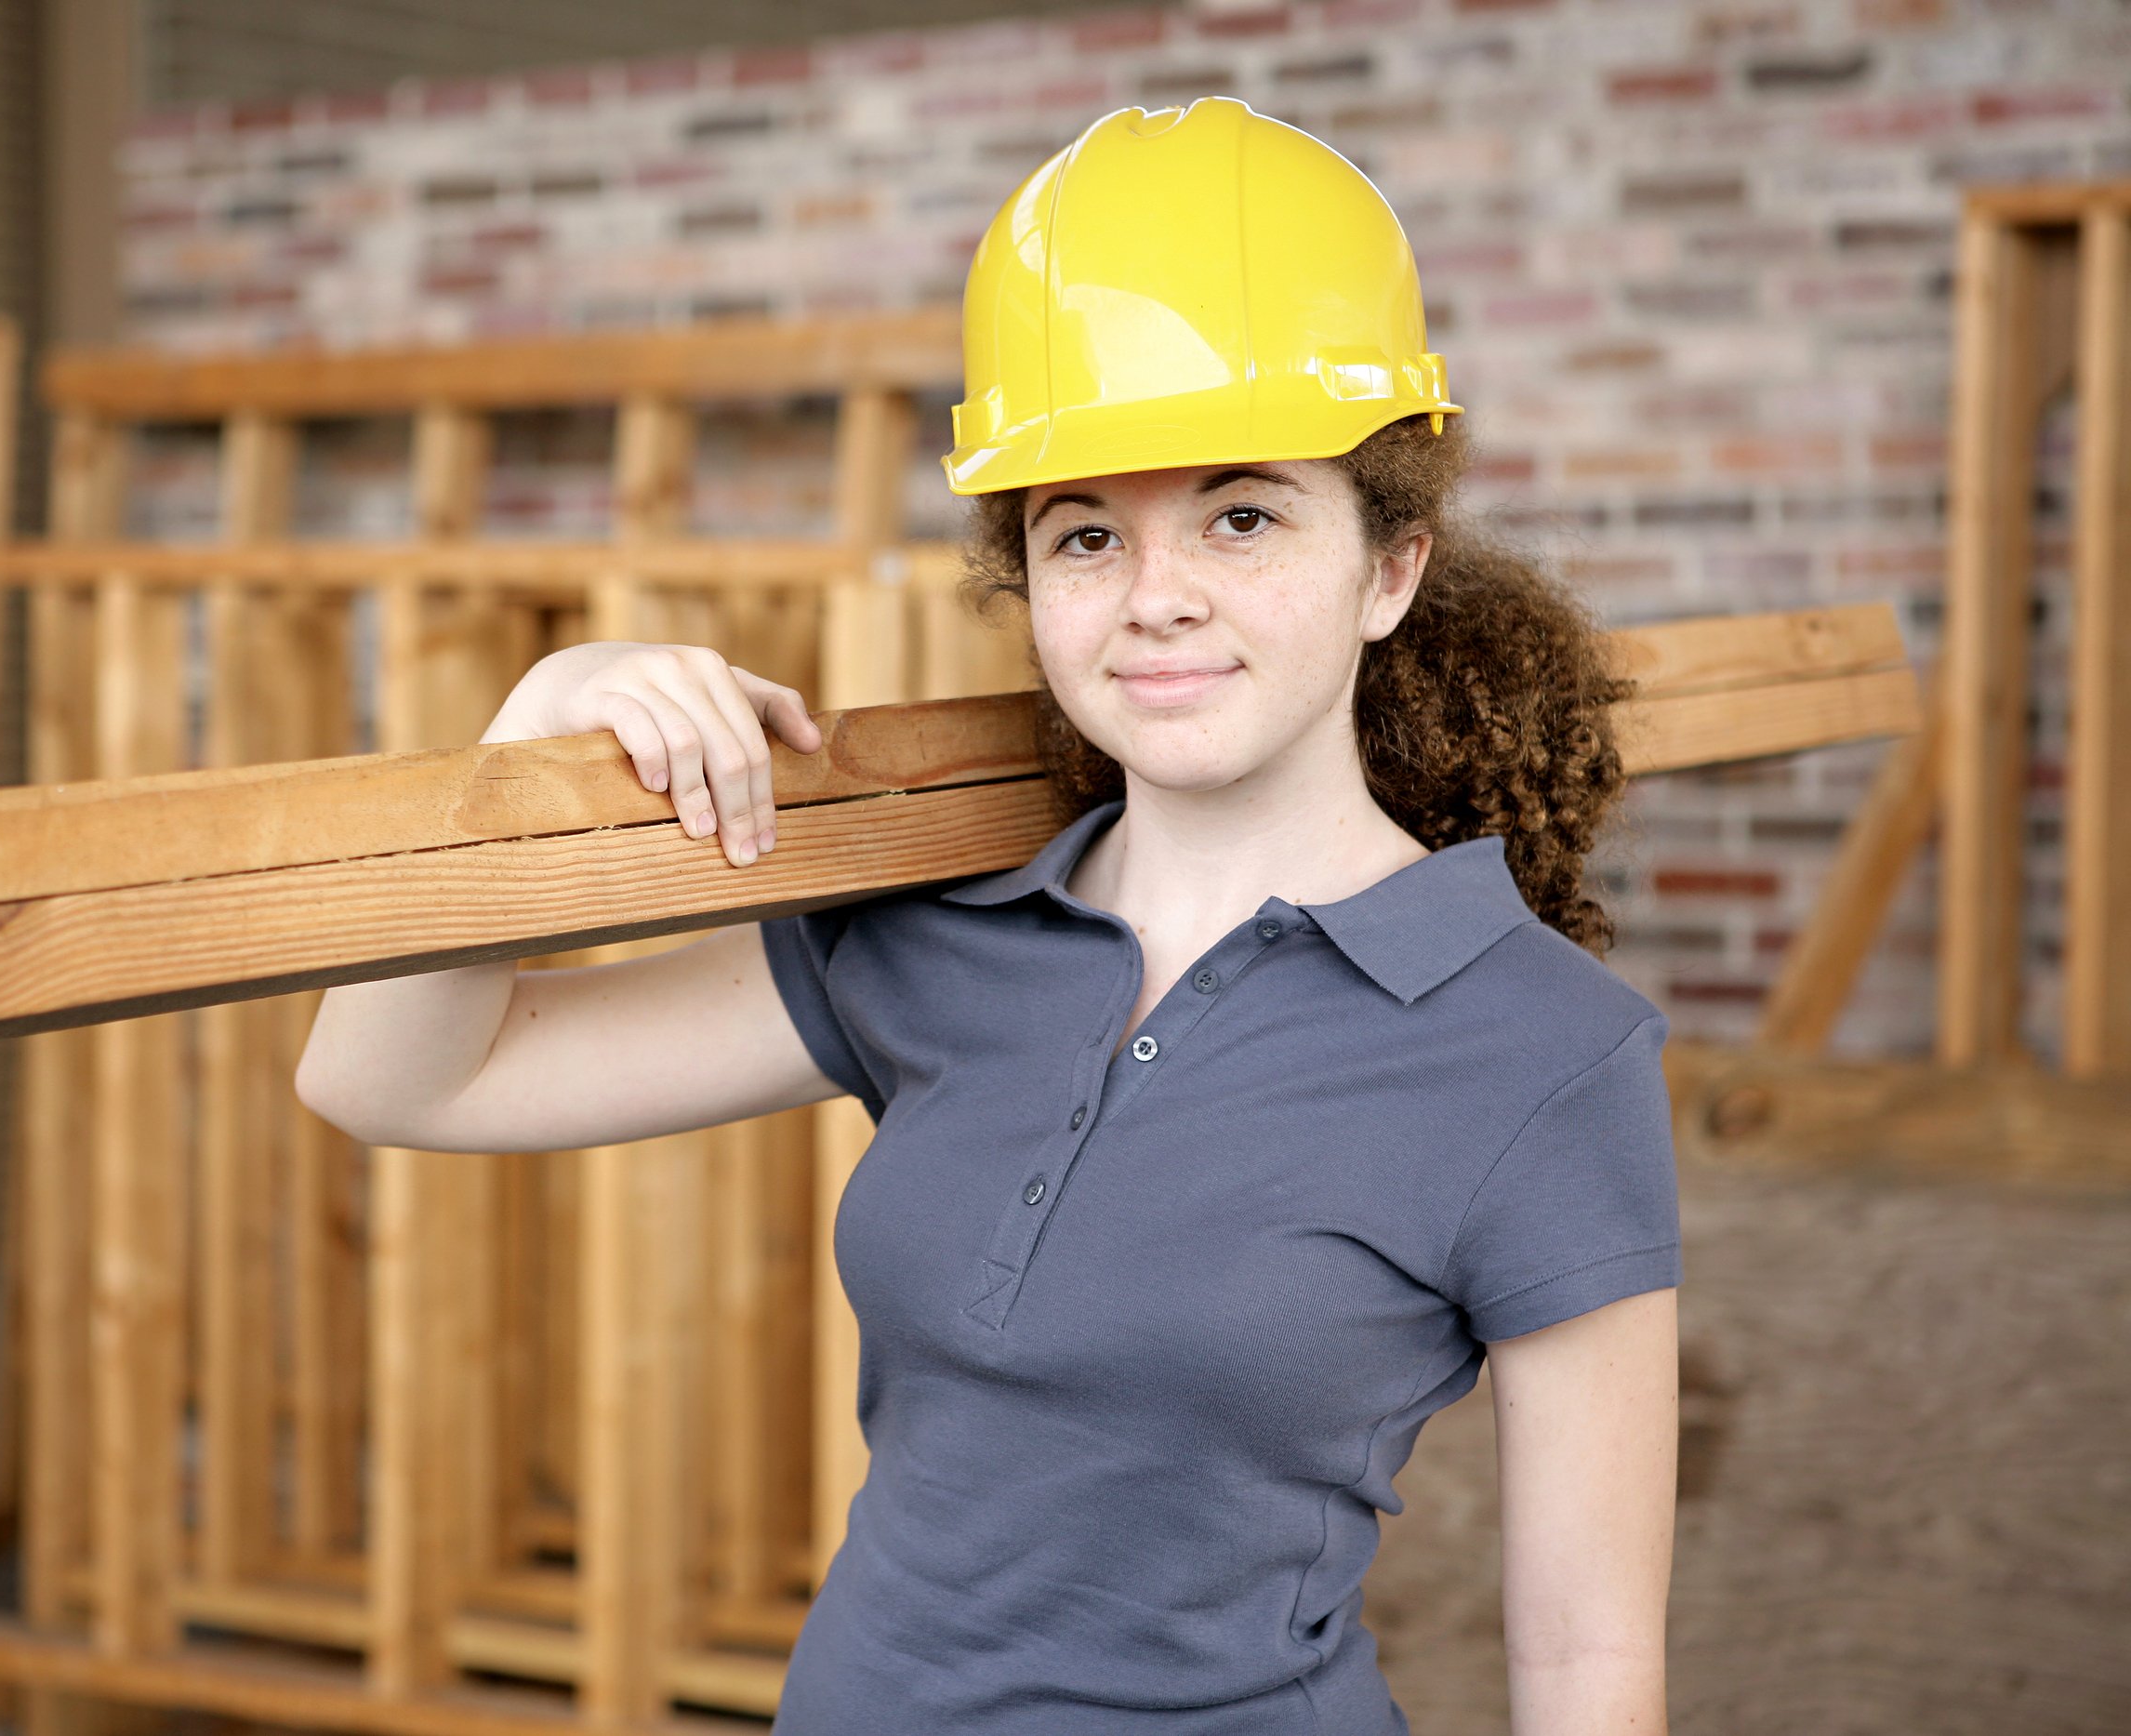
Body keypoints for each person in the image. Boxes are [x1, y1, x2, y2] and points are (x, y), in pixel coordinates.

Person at [298, 96, 1678, 1736]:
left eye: (1244, 516)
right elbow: (394, 1082)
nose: (1156, 594)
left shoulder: (1542, 1052)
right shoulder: (935, 937)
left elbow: (1588, 1659)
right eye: (1086, 534)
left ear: (1388, 569)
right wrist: (531, 722)